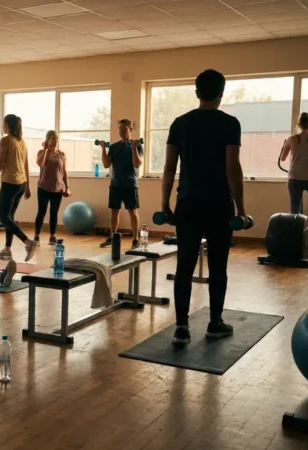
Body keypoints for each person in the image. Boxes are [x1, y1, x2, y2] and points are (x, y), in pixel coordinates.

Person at [162, 69, 247, 345]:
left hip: (187, 203)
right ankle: (214, 322)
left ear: (197, 93)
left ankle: (182, 328)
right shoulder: (229, 123)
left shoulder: (179, 123)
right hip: (219, 204)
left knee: (184, 265)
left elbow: (169, 168)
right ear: (221, 94)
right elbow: (233, 168)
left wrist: (165, 203)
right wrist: (241, 209)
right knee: (218, 266)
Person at [0, 114, 38, 262]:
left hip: (10, 183)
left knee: (4, 218)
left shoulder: (6, 140)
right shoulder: (22, 142)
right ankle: (7, 250)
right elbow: (26, 165)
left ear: (7, 125)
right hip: (21, 184)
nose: (2, 126)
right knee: (10, 218)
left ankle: (28, 242)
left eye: (3, 124)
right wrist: (28, 186)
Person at [100, 119, 143, 249]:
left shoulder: (137, 145)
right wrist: (103, 149)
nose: (121, 131)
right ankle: (113, 237)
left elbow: (137, 164)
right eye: (120, 129)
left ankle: (135, 240)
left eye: (124, 129)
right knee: (114, 212)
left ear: (130, 129)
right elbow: (107, 164)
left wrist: (134, 148)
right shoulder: (114, 147)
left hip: (130, 184)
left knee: (133, 212)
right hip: (115, 184)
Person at [34, 130, 71, 245]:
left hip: (58, 188)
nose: (56, 140)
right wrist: (45, 149)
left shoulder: (62, 154)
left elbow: (64, 171)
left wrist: (67, 187)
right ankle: (36, 237)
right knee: (41, 212)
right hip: (43, 187)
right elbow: (40, 163)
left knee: (54, 213)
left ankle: (52, 236)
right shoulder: (41, 152)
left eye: (57, 138)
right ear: (47, 140)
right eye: (53, 138)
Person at [281, 112, 308, 215]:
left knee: (294, 208)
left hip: (295, 176)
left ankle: (295, 229)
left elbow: (283, 158)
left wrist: (285, 146)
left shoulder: (291, 139)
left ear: (299, 124)